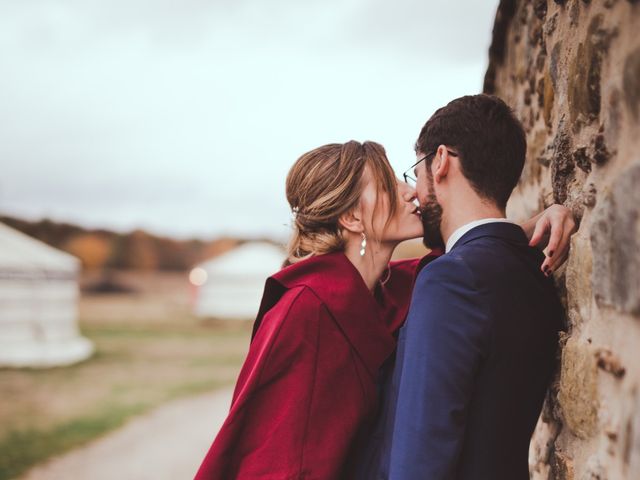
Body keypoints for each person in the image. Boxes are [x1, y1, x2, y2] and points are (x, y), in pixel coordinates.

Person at [194, 138, 573, 479]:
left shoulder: (392, 288)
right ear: (352, 217)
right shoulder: (305, 307)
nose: (411, 192)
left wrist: (538, 223)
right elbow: (269, 454)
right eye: (389, 185)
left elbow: (474, 261)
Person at [358, 94, 566, 479]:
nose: (415, 193)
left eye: (415, 171)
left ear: (440, 162)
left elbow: (418, 460)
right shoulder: (534, 270)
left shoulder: (449, 281)